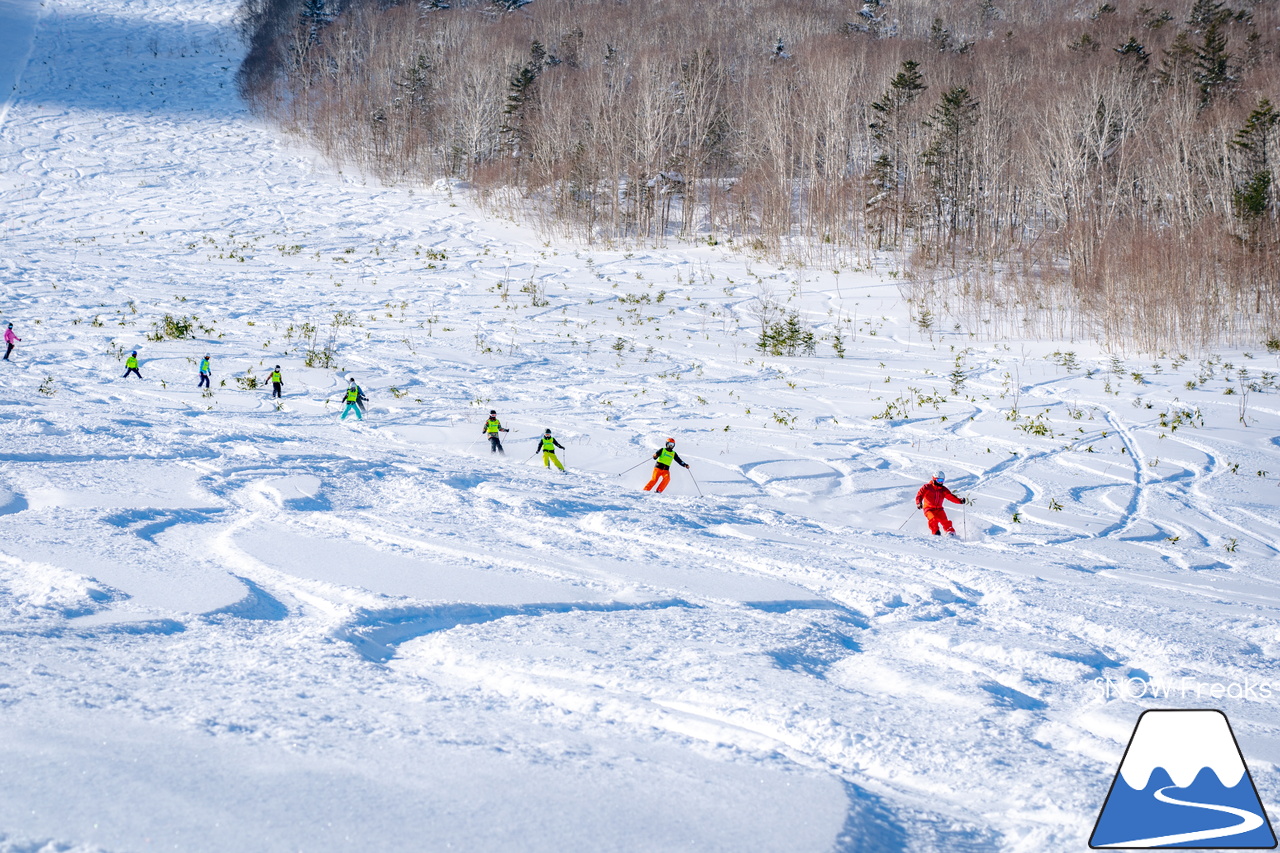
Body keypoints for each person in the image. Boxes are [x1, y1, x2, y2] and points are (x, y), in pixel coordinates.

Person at [916, 471, 966, 536]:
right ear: (934, 479)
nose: (940, 482)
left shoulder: (943, 489)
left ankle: (951, 533)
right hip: (928, 509)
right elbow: (920, 495)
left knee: (945, 521)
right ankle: (936, 533)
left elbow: (950, 497)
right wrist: (919, 503)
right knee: (933, 519)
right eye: (939, 480)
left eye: (942, 480)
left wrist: (960, 501)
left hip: (939, 509)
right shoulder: (927, 487)